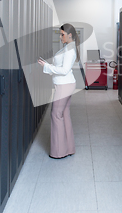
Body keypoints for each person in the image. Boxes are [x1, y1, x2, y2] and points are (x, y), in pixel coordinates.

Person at [38, 23, 80, 159]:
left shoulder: (69, 50)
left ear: (70, 35)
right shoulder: (68, 47)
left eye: (62, 34)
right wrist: (49, 66)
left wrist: (47, 66)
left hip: (64, 85)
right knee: (64, 114)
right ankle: (69, 148)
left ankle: (59, 152)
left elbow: (64, 70)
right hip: (66, 84)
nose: (60, 37)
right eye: (60, 34)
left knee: (56, 115)